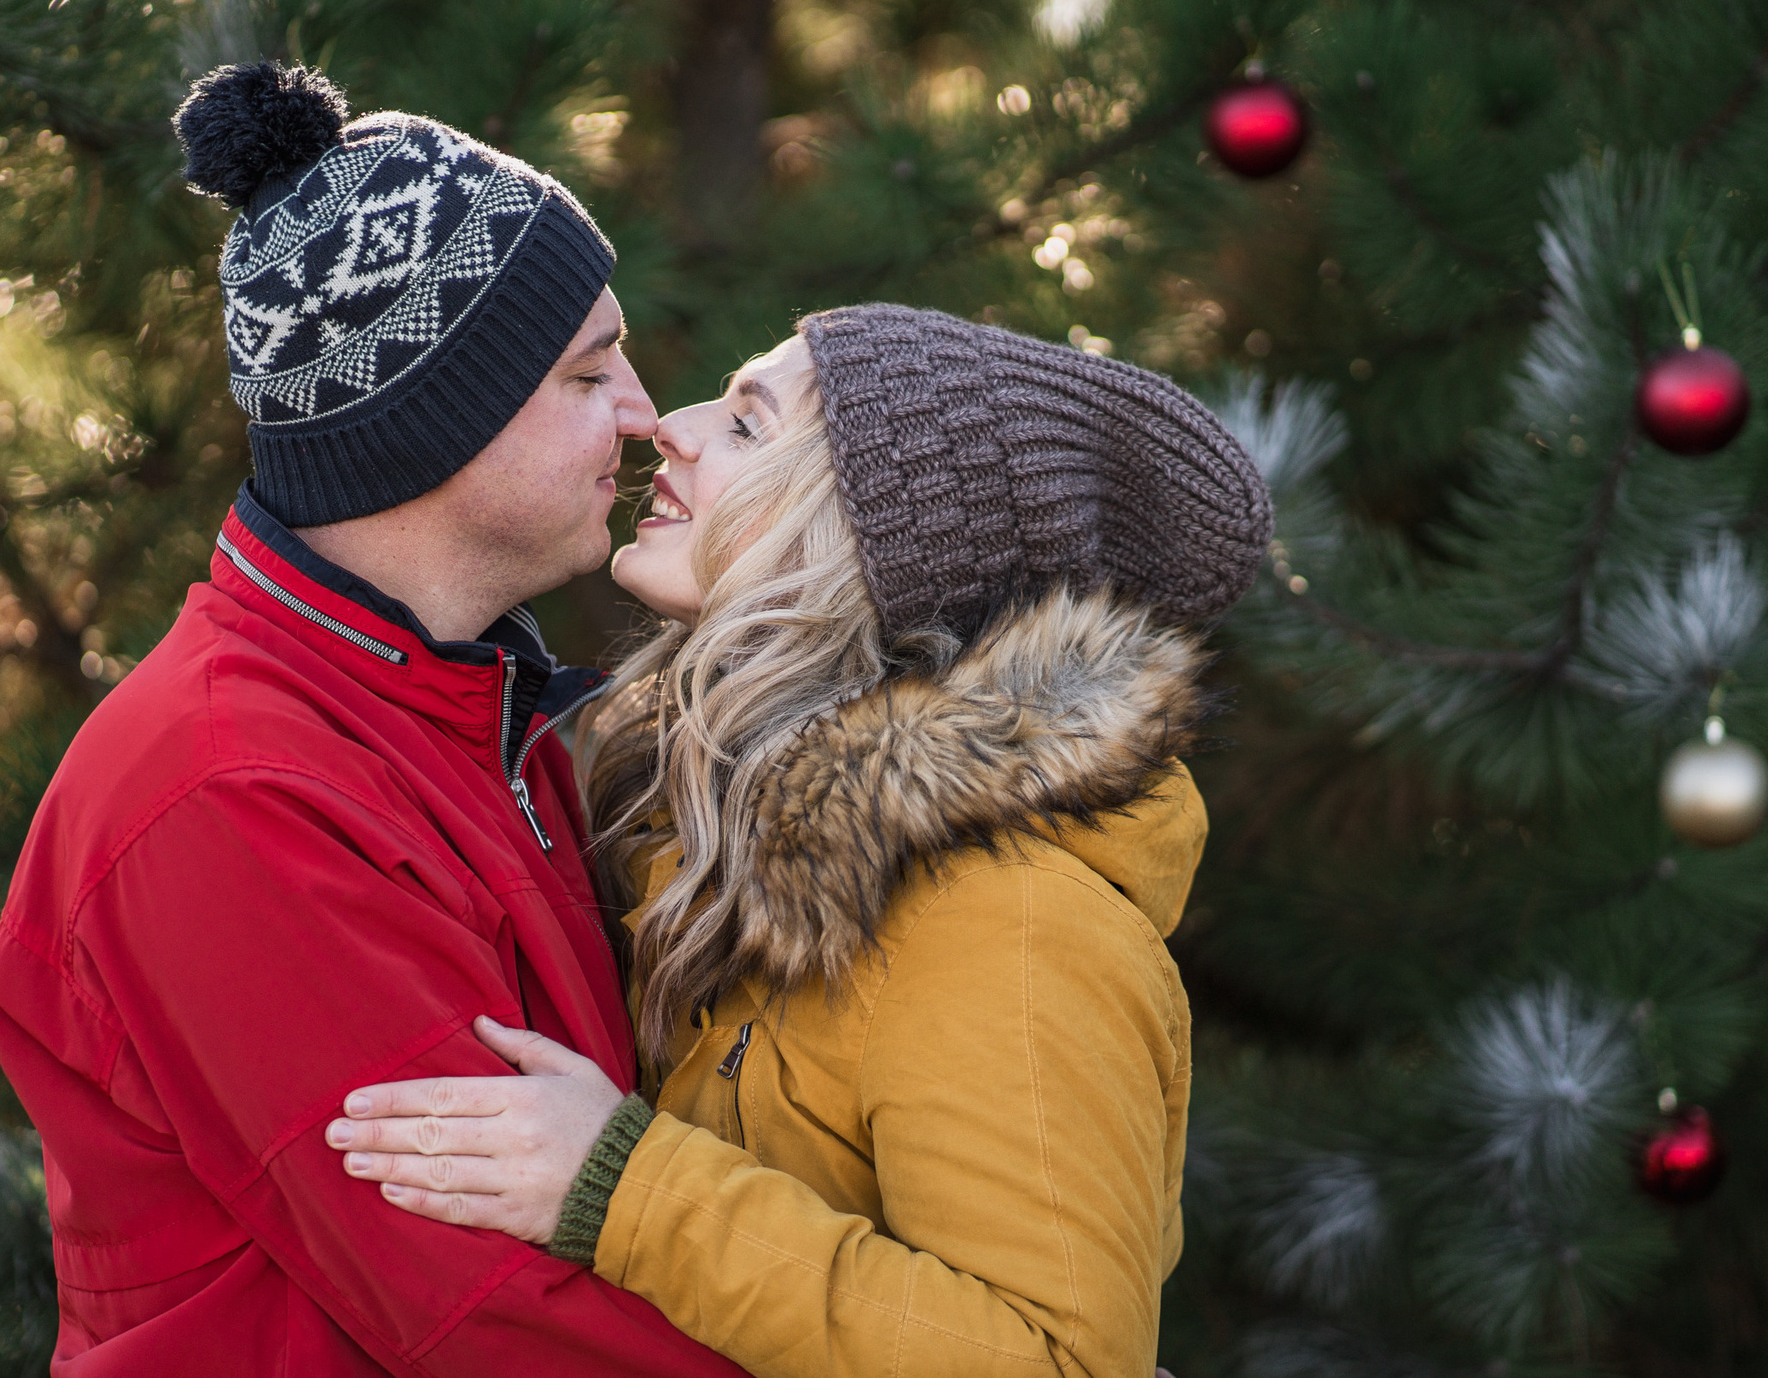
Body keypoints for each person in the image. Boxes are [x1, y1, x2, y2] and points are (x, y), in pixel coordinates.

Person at [331, 304, 1272, 1378]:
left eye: (744, 426)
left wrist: (627, 1188)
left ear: (868, 545)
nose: (667, 428)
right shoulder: (698, 837)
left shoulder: (1008, 927)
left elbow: (1055, 1359)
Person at [0, 62, 742, 1375]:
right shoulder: (228, 794)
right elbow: (500, 1314)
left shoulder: (461, 701)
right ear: (434, 425)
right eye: (587, 371)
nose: (642, 413)